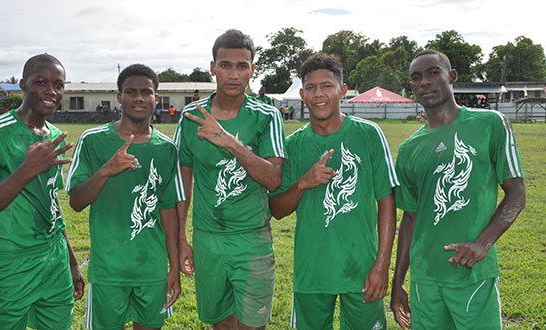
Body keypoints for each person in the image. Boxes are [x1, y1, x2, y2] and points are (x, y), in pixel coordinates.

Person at [391, 49, 526, 330]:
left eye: (433, 73)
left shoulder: (490, 123)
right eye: (416, 78)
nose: (424, 82)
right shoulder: (408, 149)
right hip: (425, 279)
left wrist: (482, 244)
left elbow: (517, 194)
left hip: (473, 275)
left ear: (451, 77)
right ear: (411, 87)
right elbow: (410, 218)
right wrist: (398, 281)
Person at [269, 53, 398, 330]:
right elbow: (276, 210)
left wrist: (381, 265)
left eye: (327, 86)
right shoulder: (291, 145)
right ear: (302, 94)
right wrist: (303, 183)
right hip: (312, 273)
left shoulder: (369, 134)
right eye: (312, 88)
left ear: (342, 90)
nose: (319, 94)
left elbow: (387, 202)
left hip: (363, 271)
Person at [0, 53, 84, 329]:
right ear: (23, 85)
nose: (51, 91)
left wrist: (71, 261)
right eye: (41, 82)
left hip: (55, 261)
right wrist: (26, 170)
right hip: (10, 262)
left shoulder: (55, 136)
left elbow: (51, 202)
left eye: (59, 85)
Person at [174, 29, 285, 330]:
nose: (233, 74)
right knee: (220, 324)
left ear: (252, 69)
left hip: (252, 238)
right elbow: (182, 180)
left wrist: (229, 141)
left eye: (242, 66)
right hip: (208, 238)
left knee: (252, 326)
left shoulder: (266, 116)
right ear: (213, 68)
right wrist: (182, 238)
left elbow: (274, 179)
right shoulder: (190, 116)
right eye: (225, 65)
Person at [66, 64, 183, 330]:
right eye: (131, 92)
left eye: (146, 92)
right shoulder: (93, 141)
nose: (139, 98)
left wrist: (173, 268)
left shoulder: (166, 149)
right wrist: (106, 170)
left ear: (156, 98)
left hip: (151, 270)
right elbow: (76, 201)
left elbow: (168, 212)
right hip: (109, 269)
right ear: (119, 97)